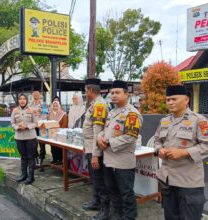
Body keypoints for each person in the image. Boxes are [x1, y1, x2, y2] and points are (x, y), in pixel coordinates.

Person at [154, 85, 208, 220]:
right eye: (168, 100)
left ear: (186, 100)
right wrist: (159, 149)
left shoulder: (199, 120)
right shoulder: (164, 120)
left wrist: (184, 153)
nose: (170, 102)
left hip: (189, 182)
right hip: (168, 180)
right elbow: (157, 140)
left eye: (174, 99)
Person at [97, 80, 143, 220]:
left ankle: (129, 217)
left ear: (126, 94)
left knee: (126, 193)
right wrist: (100, 138)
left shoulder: (132, 114)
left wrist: (108, 142)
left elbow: (130, 136)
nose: (114, 95)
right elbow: (105, 130)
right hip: (109, 159)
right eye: (112, 93)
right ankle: (117, 215)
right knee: (112, 190)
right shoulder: (112, 112)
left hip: (123, 161)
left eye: (117, 92)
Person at [81, 78, 110, 220]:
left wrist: (95, 155)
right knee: (94, 177)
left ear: (91, 90)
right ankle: (96, 201)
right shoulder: (94, 104)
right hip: (90, 147)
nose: (85, 93)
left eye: (86, 90)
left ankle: (105, 210)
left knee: (99, 179)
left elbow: (98, 132)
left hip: (96, 150)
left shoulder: (99, 105)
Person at [11, 94, 38, 185]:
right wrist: (17, 127)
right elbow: (12, 123)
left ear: (26, 100)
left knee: (31, 157)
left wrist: (27, 126)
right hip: (19, 137)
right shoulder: (15, 110)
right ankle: (24, 174)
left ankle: (31, 176)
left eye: (24, 99)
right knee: (23, 156)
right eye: (20, 99)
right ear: (18, 100)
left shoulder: (31, 110)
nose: (22, 100)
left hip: (30, 137)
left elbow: (36, 123)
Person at [29, 90, 46, 168]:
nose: (35, 95)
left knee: (42, 144)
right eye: (34, 94)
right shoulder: (30, 104)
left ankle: (41, 161)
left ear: (40, 95)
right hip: (33, 127)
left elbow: (46, 114)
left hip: (41, 126)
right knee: (33, 144)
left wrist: (40, 118)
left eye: (37, 94)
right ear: (33, 95)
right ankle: (36, 160)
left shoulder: (43, 104)